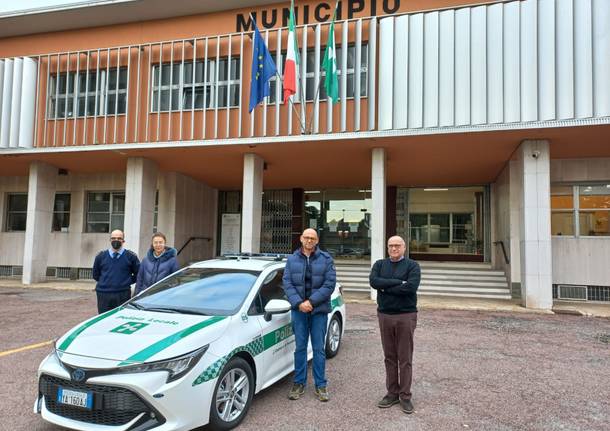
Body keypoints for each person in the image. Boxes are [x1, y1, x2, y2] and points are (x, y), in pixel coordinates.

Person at [282, 228, 336, 402]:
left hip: (318, 310)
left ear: (317, 240)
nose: (309, 240)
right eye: (306, 237)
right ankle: (299, 383)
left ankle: (321, 385)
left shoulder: (326, 259)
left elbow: (329, 285)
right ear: (301, 238)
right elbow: (287, 283)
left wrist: (311, 302)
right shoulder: (291, 260)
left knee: (319, 349)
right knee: (300, 348)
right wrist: (299, 303)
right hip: (299, 311)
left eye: (312, 238)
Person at [369, 235, 421, 414]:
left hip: (405, 316)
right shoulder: (379, 265)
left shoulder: (413, 266)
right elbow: (374, 282)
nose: (393, 249)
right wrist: (399, 282)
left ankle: (405, 396)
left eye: (397, 245)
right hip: (385, 315)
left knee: (405, 358)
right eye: (390, 246)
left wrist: (385, 287)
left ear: (404, 247)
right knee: (389, 356)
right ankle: (392, 393)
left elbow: (411, 287)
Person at [92, 229, 140, 314]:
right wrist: (105, 282)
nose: (116, 240)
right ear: (110, 240)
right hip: (103, 294)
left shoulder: (131, 257)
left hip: (123, 294)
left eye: (119, 238)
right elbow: (95, 274)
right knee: (104, 319)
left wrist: (126, 281)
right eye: (113, 238)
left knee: (121, 318)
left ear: (123, 240)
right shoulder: (100, 256)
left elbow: (138, 274)